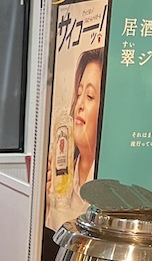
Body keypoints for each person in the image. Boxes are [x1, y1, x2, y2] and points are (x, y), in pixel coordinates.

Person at [46, 47, 104, 230]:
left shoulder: (112, 190)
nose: (79, 104)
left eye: (90, 96)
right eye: (79, 94)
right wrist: (43, 204)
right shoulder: (59, 178)